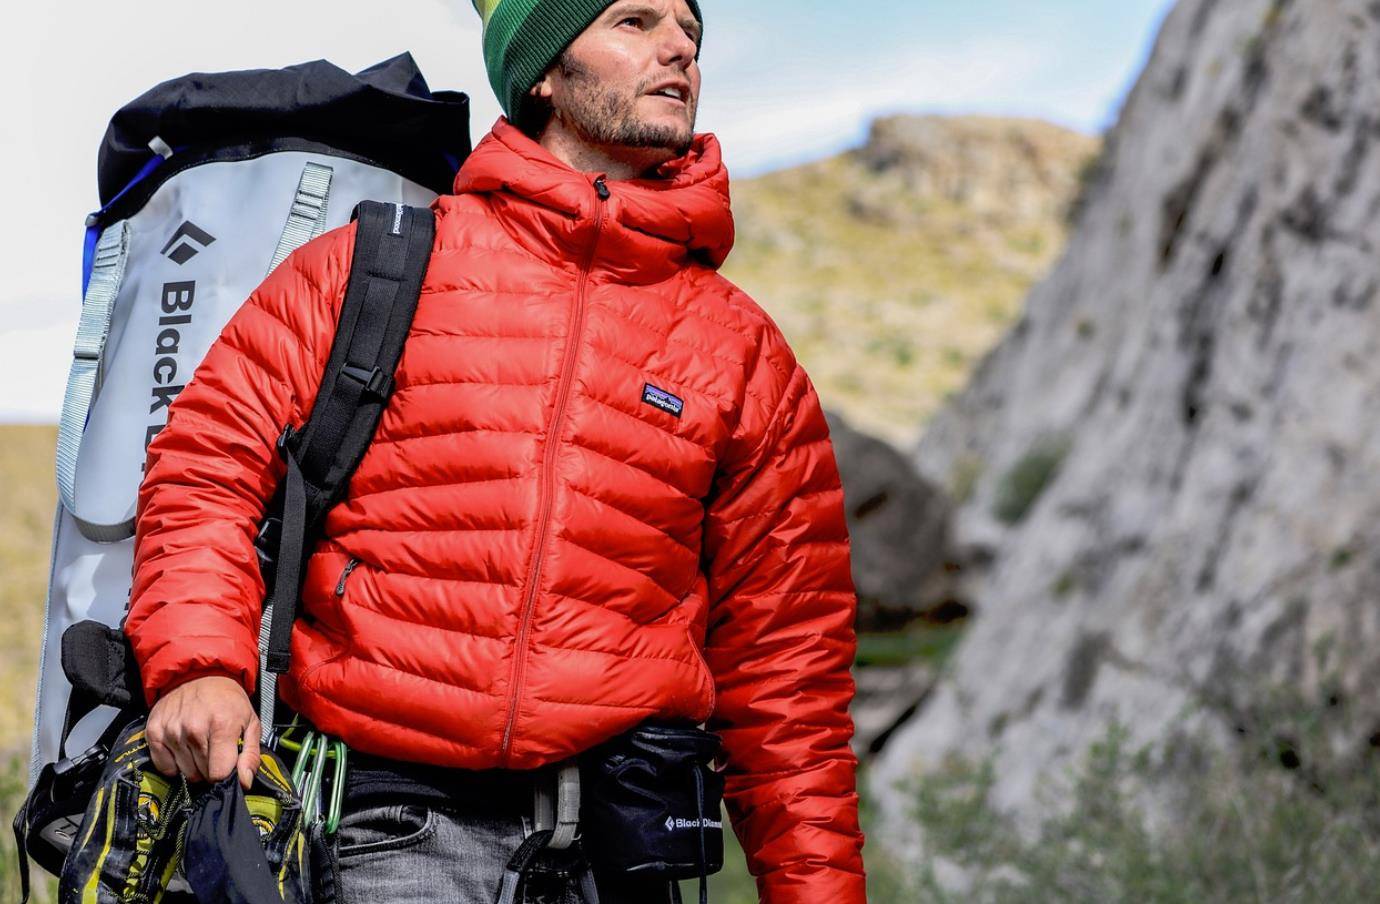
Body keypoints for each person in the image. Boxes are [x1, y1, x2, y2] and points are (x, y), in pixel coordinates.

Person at [122, 0, 868, 901]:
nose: (679, 48)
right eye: (634, 21)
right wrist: (201, 667)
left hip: (624, 858)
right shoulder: (370, 268)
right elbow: (206, 467)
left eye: (690, 31)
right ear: (542, 72)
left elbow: (789, 673)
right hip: (390, 837)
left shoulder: (742, 351)